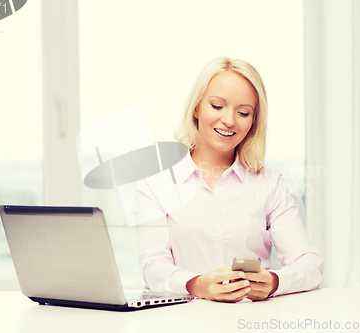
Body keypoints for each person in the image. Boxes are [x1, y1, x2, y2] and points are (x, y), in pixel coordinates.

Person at [135, 56, 324, 302]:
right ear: (196, 108)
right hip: (185, 317)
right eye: (217, 106)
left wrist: (274, 282)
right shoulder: (155, 182)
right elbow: (153, 266)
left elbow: (309, 264)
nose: (229, 120)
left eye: (243, 112)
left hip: (253, 318)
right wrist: (196, 284)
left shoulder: (269, 183)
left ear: (254, 120)